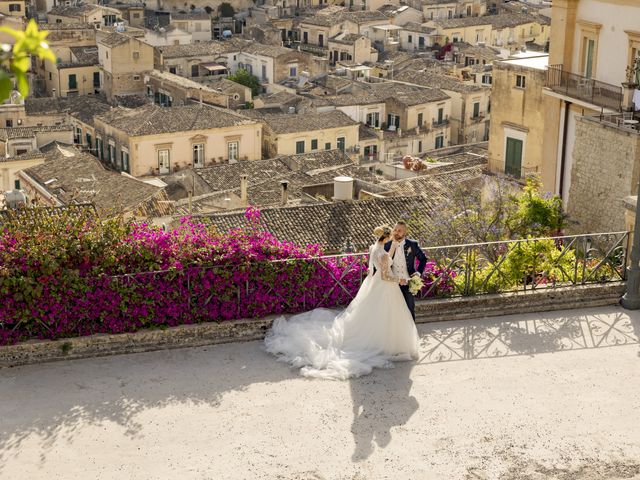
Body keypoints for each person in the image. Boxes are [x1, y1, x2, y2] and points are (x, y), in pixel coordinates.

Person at [264, 225, 419, 380]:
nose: (394, 236)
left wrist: (392, 247)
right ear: (386, 237)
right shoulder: (383, 254)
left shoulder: (374, 248)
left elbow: (381, 262)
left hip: (374, 284)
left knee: (373, 315)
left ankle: (382, 341)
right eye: (391, 234)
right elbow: (386, 275)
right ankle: (386, 345)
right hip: (385, 286)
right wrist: (402, 280)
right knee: (386, 315)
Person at [384, 221, 427, 321]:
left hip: (409, 282)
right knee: (393, 311)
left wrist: (418, 273)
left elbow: (423, 259)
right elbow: (383, 265)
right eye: (395, 230)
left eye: (399, 230)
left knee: (410, 309)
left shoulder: (412, 244)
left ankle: (411, 334)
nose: (396, 232)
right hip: (393, 283)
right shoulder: (387, 245)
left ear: (405, 232)